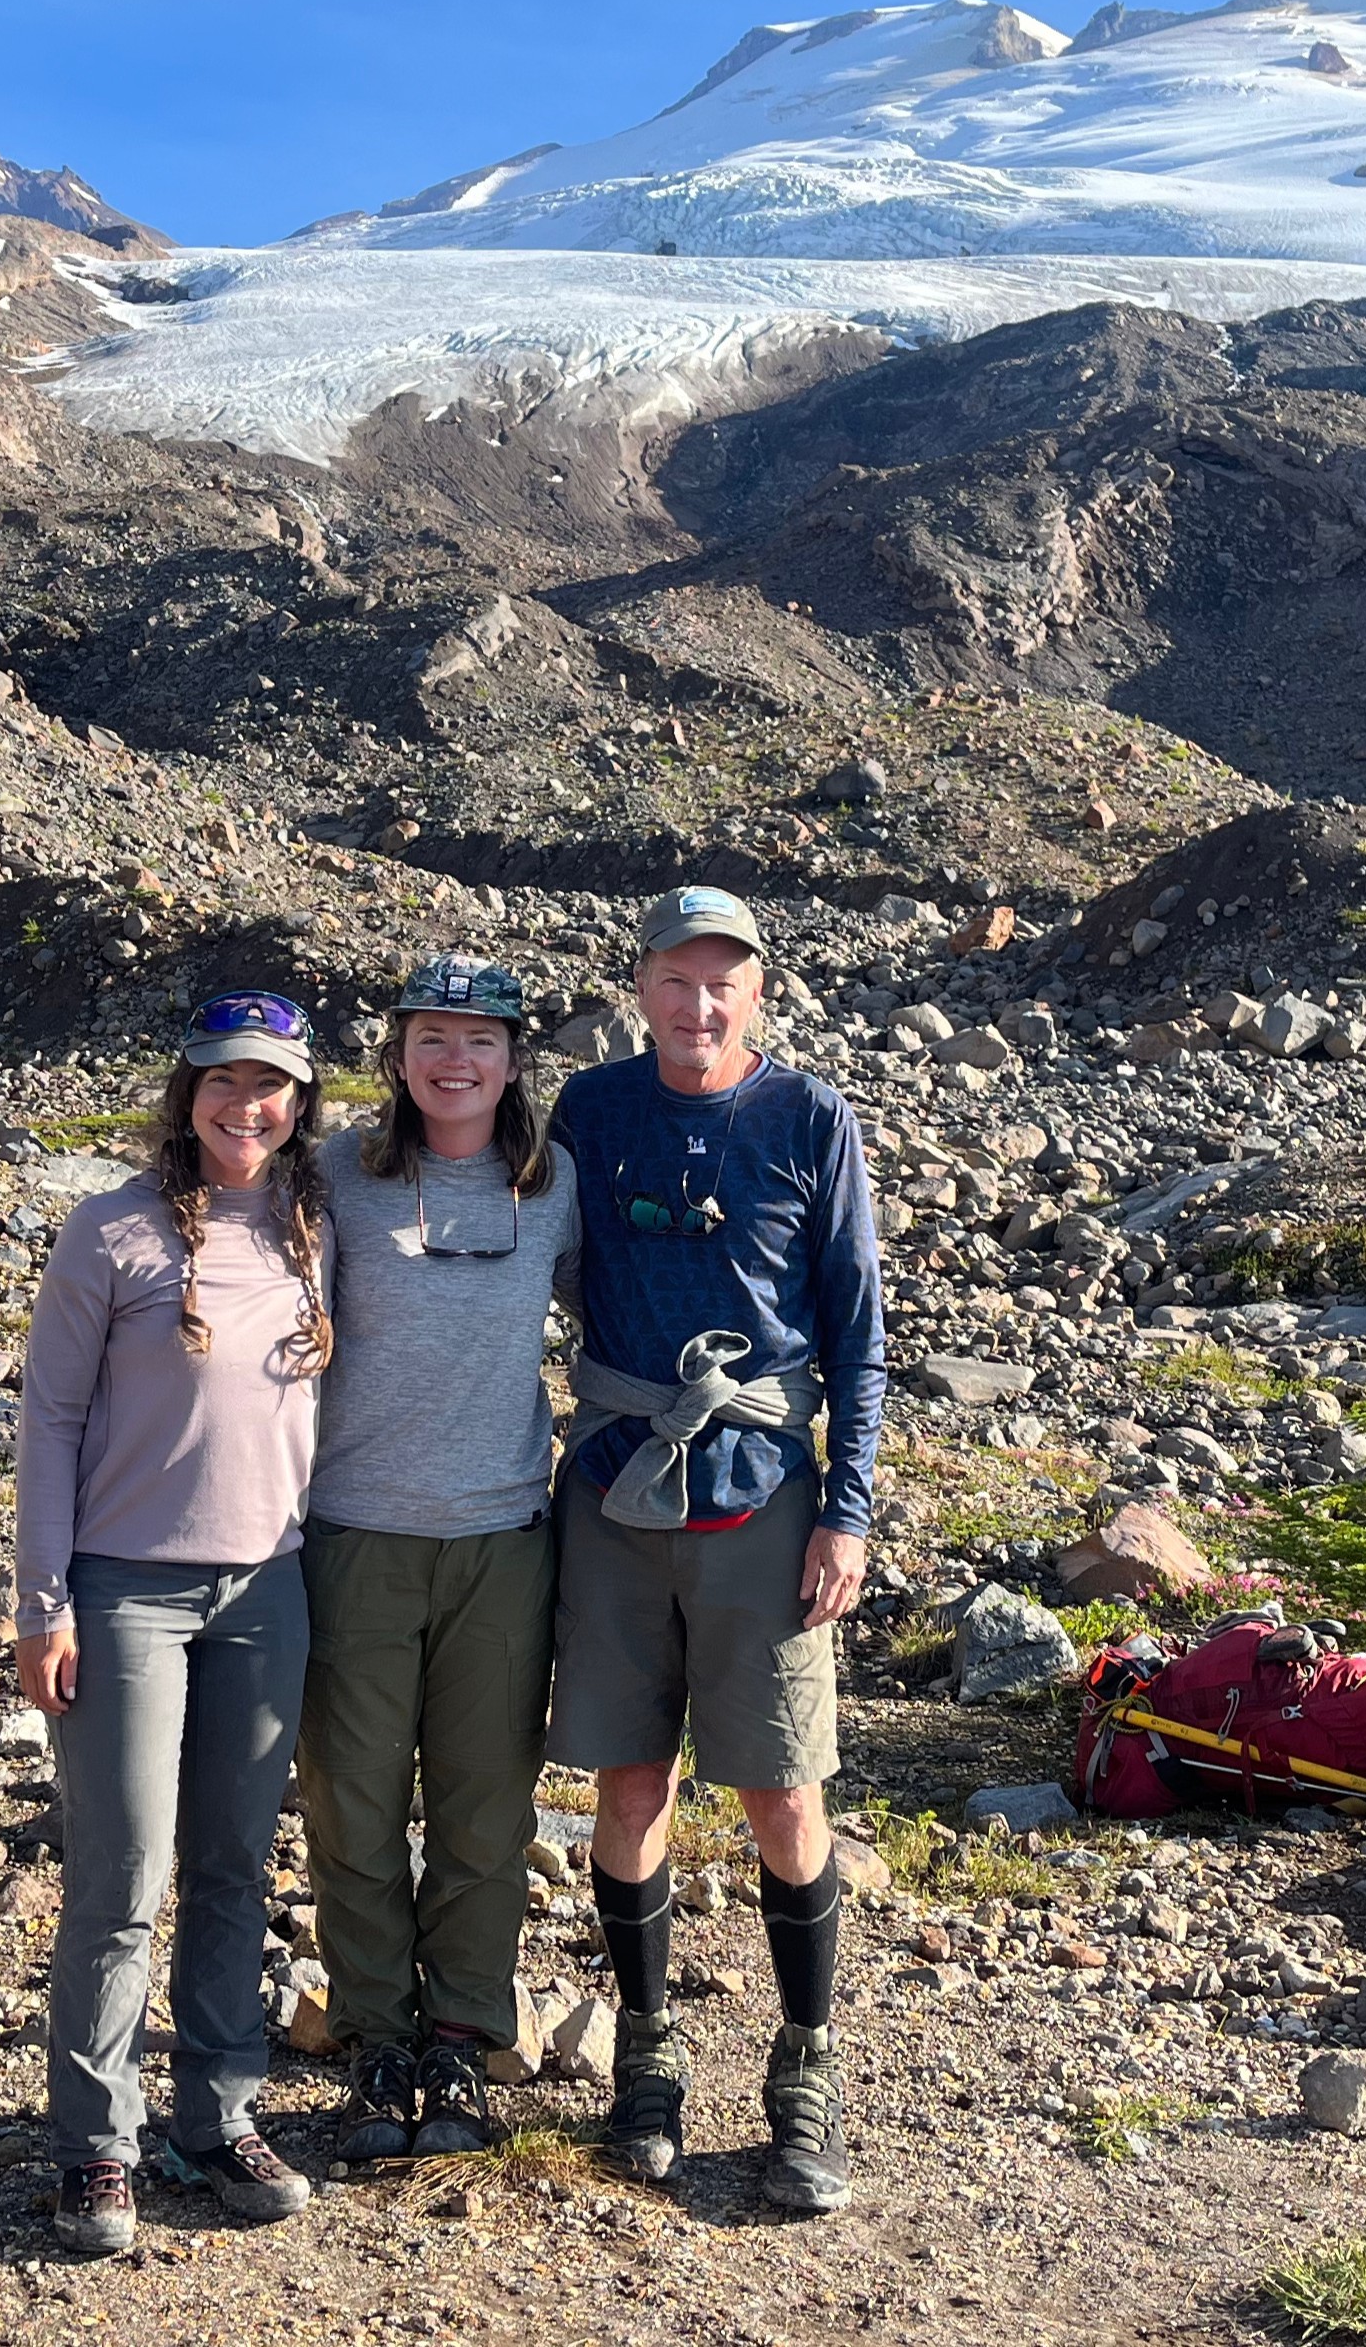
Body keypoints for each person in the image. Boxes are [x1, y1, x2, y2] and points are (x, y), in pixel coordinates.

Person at [548, 884, 885, 2214]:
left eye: (723, 982)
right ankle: (646, 2051)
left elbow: (856, 1330)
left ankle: (805, 2065)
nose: (699, 1005)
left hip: (765, 1503)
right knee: (627, 1788)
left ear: (759, 993)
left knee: (782, 1794)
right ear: (639, 986)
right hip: (620, 1490)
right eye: (677, 981)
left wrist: (847, 1507)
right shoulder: (592, 1111)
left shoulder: (810, 1118)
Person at [14, 989, 333, 2254]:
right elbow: (47, 1424)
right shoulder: (110, 1231)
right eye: (221, 1082)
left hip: (271, 1586)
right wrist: (43, 1602)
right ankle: (99, 2142)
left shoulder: (318, 1226)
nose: (243, 1106)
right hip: (125, 1588)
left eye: (269, 1087)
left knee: (233, 1865)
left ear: (299, 1103)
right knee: (123, 1871)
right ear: (184, 1093)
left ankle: (218, 2115)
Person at [301, 954, 582, 2162]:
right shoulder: (334, 1180)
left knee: (483, 1806)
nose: (454, 1061)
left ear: (514, 1058)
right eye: (431, 1038)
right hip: (356, 1530)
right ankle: (373, 2038)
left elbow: (623, 1310)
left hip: (504, 1538)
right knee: (352, 1803)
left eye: (479, 1039)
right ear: (398, 1057)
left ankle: (461, 2037)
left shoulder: (554, 1182)